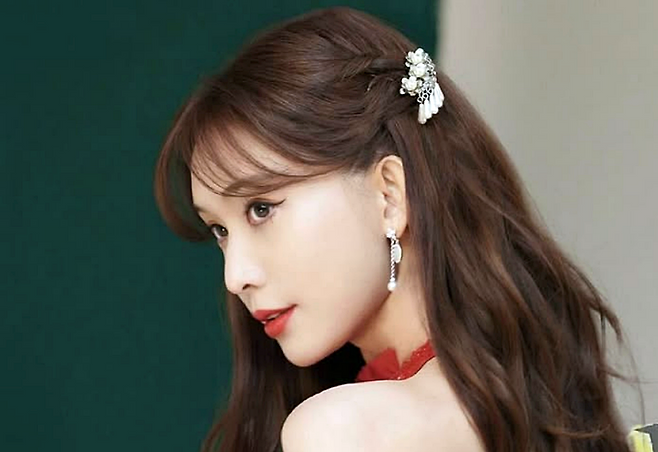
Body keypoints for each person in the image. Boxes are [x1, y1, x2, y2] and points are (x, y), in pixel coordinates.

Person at [153, 6, 639, 452]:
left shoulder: (344, 432)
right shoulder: (517, 401)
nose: (235, 276)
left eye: (261, 209)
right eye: (219, 231)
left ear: (390, 194)